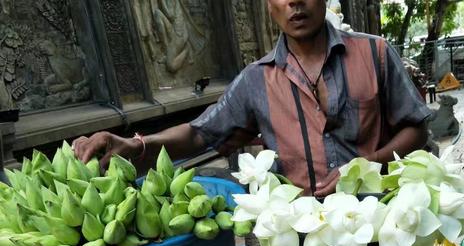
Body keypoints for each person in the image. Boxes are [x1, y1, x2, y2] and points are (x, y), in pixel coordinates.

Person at [72, 0, 432, 197]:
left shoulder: (376, 54)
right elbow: (201, 134)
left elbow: (415, 130)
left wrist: (364, 168)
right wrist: (136, 146)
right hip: (301, 231)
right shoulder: (255, 81)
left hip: (381, 216)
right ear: (267, 6)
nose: (295, 2)